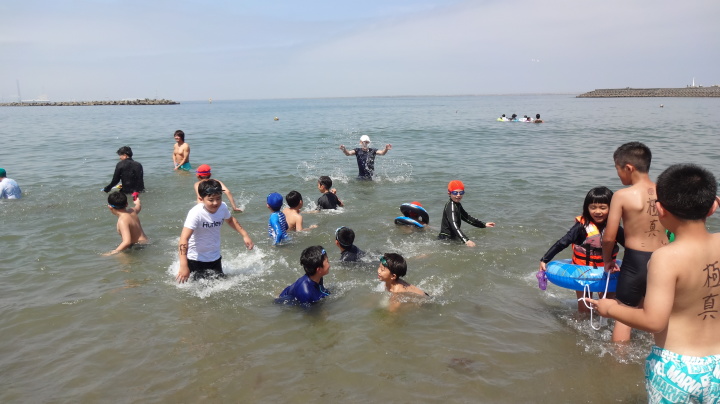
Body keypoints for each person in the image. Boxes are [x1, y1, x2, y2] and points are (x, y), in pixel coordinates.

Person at [589, 164, 720, 403]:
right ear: (713, 206)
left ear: (659, 209)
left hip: (677, 367)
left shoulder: (666, 258)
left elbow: (654, 322)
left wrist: (610, 309)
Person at [602, 142, 669, 342]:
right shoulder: (666, 192)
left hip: (636, 261)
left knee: (624, 313)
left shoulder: (622, 196)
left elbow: (609, 237)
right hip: (665, 258)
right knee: (655, 313)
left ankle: (618, 359)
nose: (618, 174)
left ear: (629, 167)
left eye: (617, 169)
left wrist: (607, 260)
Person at [539, 187, 625, 313]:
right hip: (582, 272)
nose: (597, 211)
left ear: (611, 208)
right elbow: (563, 242)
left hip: (606, 271)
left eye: (603, 207)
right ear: (587, 208)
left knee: (609, 307)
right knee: (584, 309)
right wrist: (545, 259)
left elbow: (630, 246)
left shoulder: (614, 228)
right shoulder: (581, 227)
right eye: (593, 207)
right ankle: (581, 323)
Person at [176, 179, 254, 283]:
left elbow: (230, 220)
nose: (215, 203)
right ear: (201, 199)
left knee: (221, 286)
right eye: (211, 200)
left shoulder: (222, 207)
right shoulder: (196, 213)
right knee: (198, 290)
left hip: (215, 257)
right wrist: (183, 265)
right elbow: (184, 239)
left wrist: (245, 235)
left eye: (218, 198)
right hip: (195, 259)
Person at [438, 180, 495, 247]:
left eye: (461, 192)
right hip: (446, 239)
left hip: (453, 237)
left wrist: (483, 224)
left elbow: (467, 218)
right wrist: (466, 240)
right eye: (455, 193)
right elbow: (454, 225)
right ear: (449, 193)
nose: (458, 195)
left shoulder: (457, 204)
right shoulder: (451, 206)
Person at [103, 191, 148, 255]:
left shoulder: (122, 220)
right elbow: (138, 207)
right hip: (145, 243)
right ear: (126, 204)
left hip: (136, 247)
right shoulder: (132, 211)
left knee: (119, 257)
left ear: (110, 207)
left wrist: (112, 252)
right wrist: (137, 202)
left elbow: (127, 242)